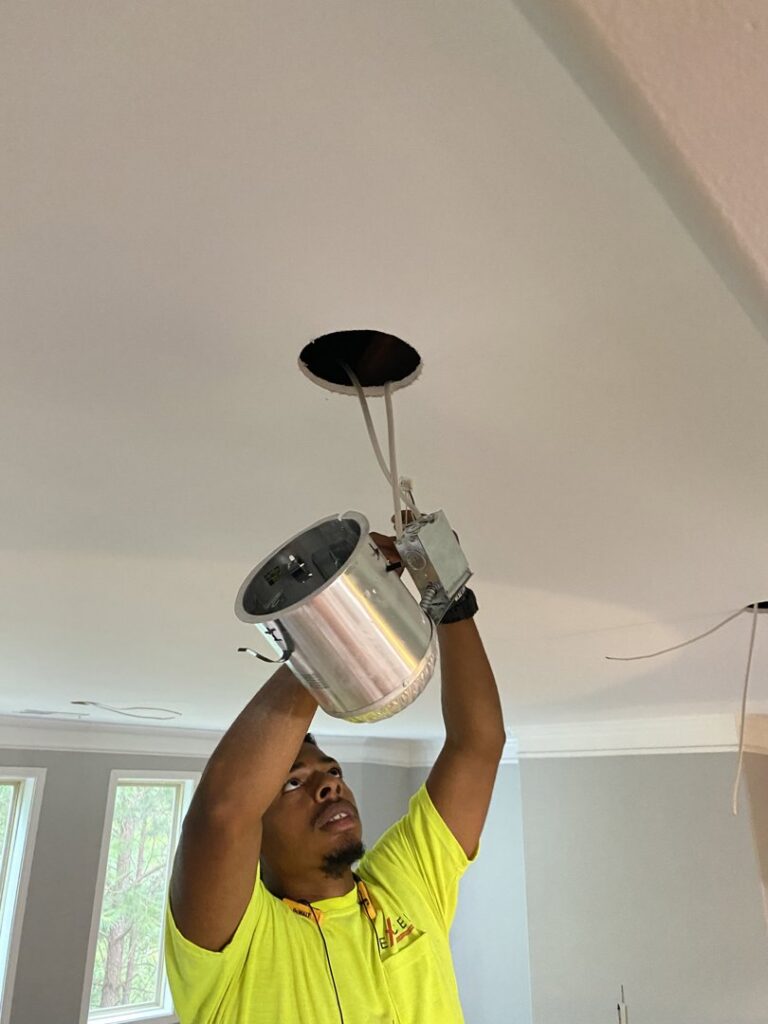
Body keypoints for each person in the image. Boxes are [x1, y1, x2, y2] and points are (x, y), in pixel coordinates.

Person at [165, 527, 505, 1023]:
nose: (330, 784)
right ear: (254, 838)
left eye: (332, 770)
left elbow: (477, 748)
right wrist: (343, 612)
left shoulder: (406, 883)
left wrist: (446, 595)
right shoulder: (232, 946)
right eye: (293, 782)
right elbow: (222, 814)